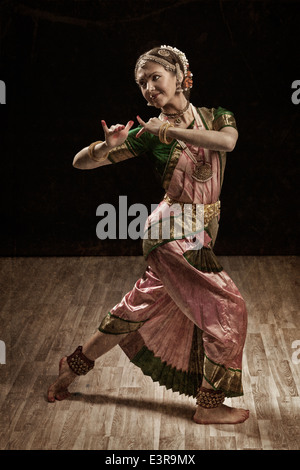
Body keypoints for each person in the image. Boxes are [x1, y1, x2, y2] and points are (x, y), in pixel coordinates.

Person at [47, 45, 249, 425]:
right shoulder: (146, 134)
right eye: (142, 82)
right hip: (172, 232)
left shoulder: (215, 116)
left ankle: (71, 367)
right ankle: (209, 406)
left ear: (179, 75)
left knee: (139, 306)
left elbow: (227, 142)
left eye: (156, 77)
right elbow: (79, 163)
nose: (149, 87)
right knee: (229, 309)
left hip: (197, 233)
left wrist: (169, 130)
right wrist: (104, 148)